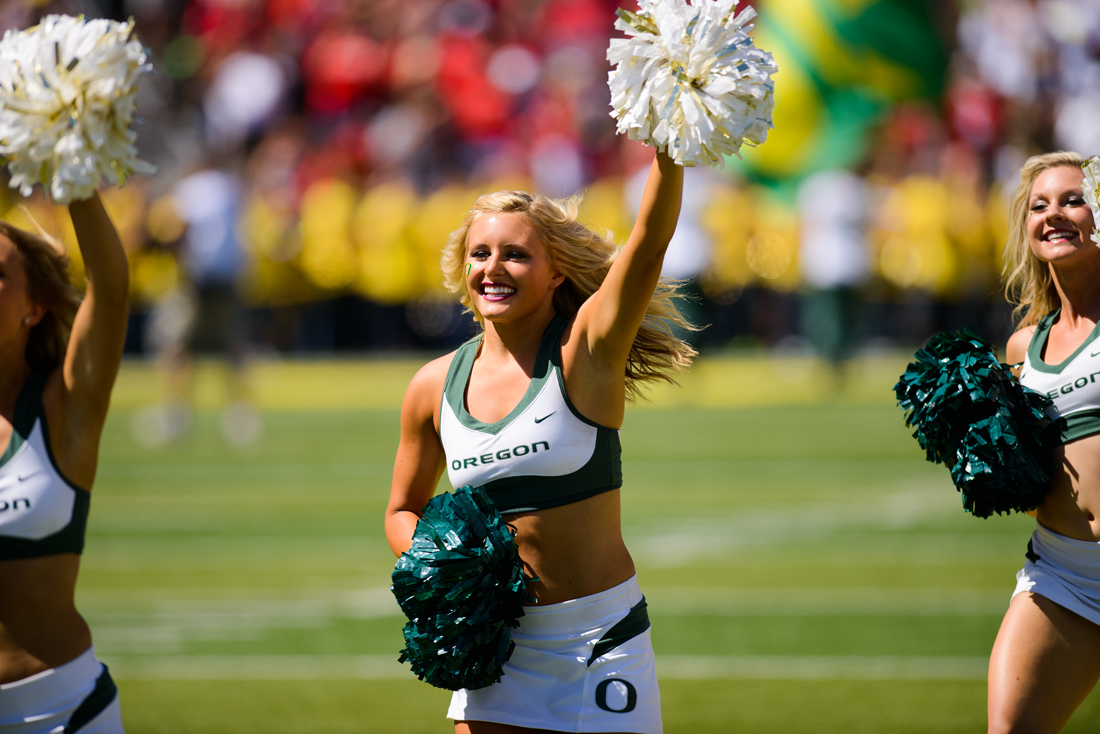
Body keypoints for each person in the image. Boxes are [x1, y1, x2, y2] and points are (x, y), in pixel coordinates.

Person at [385, 150, 692, 734]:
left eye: (516, 254)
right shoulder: (432, 386)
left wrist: (668, 151)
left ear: (556, 273)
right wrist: (440, 561)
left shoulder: (586, 352)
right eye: (480, 253)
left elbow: (649, 244)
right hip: (496, 647)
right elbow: (402, 510)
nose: (493, 268)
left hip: (599, 639)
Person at [0, 193, 129, 733]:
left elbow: (111, 288)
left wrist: (76, 178)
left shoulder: (62, 409)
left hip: (62, 711)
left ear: (34, 308)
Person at [997, 150, 1100, 734]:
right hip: (1063, 573)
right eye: (1039, 206)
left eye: (1073, 200)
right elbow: (1026, 474)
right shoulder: (1022, 347)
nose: (1054, 214)